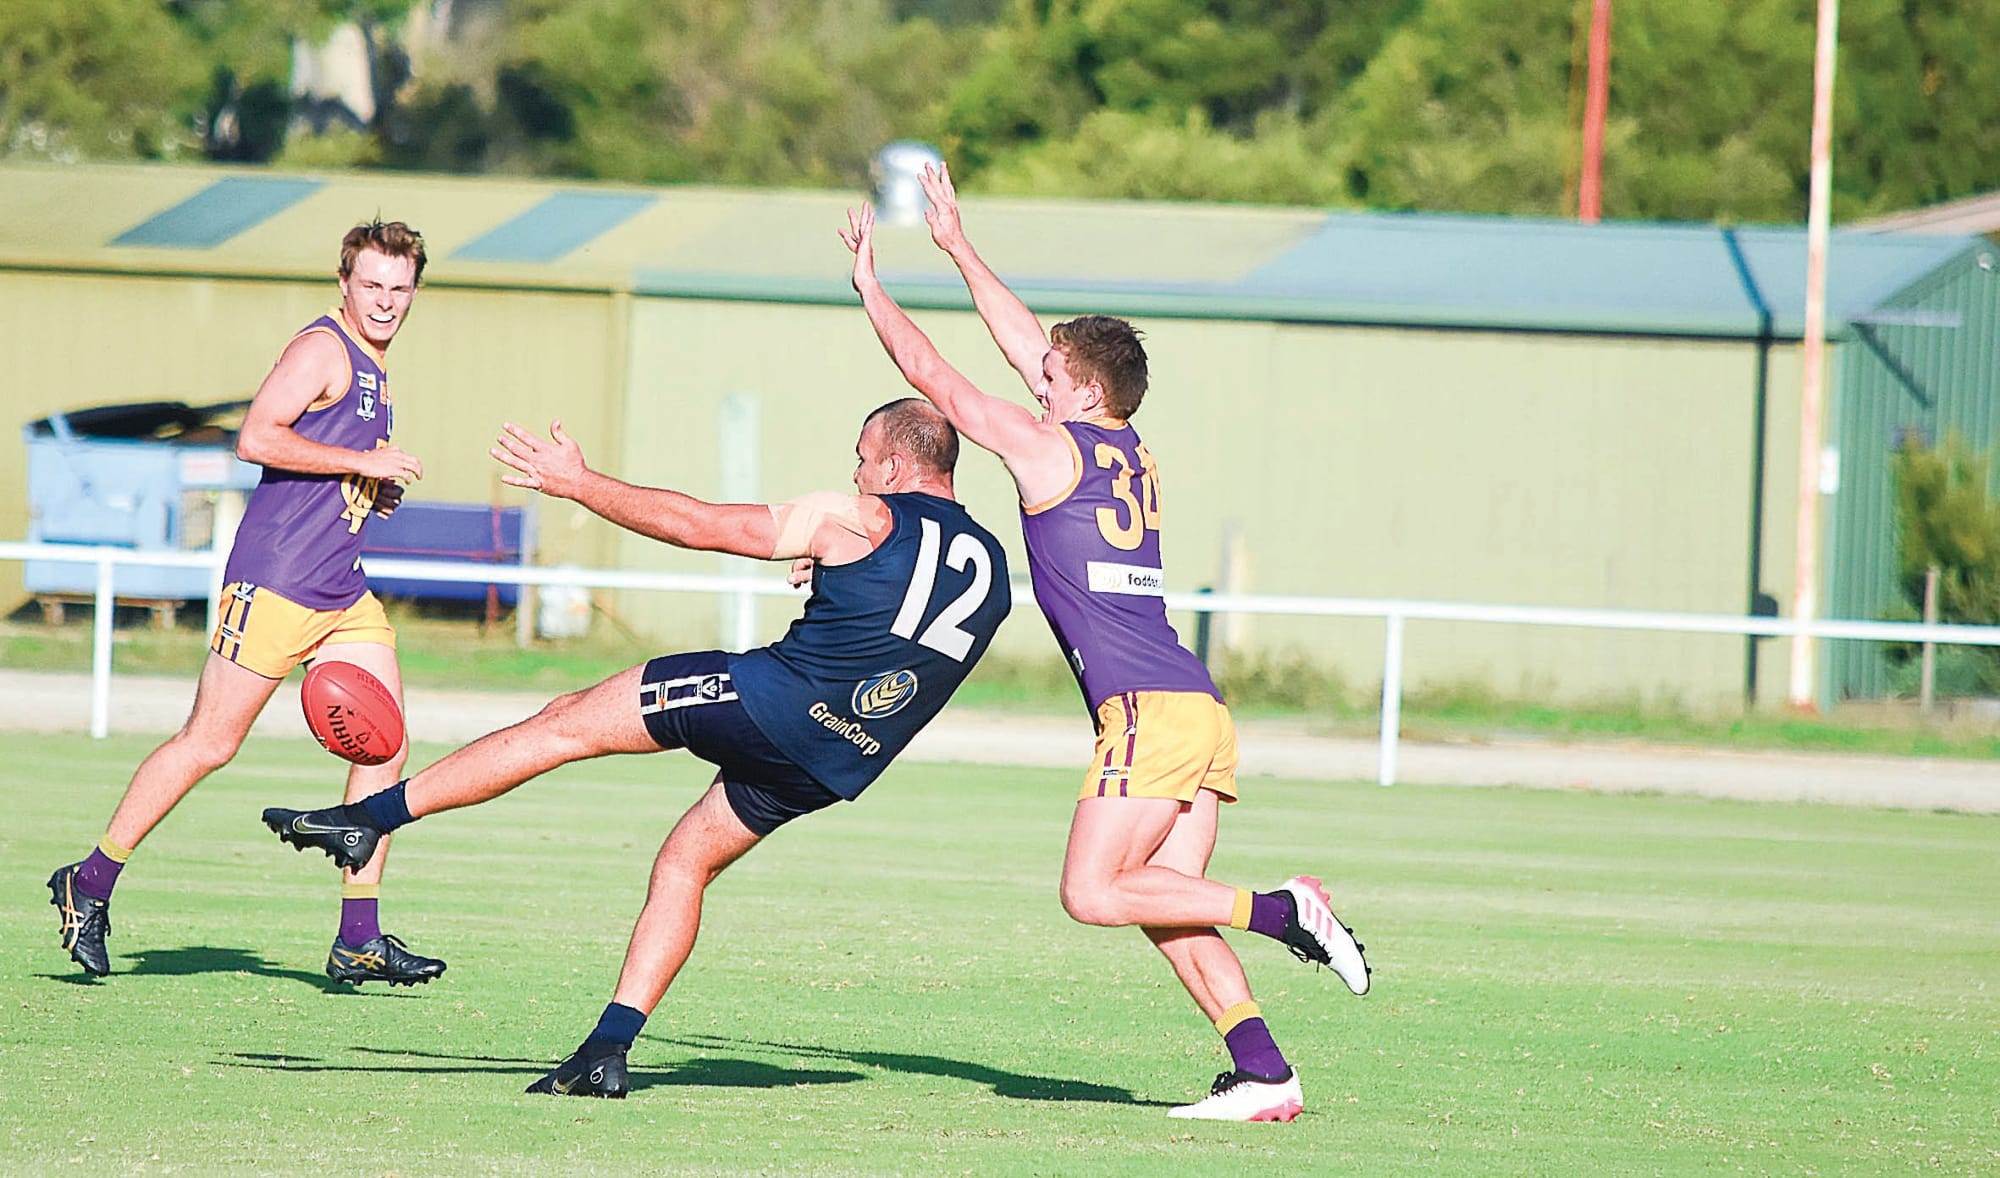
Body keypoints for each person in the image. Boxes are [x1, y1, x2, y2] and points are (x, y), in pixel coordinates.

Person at [260, 399, 1009, 1098]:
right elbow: (904, 620)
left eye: (861, 458)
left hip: (767, 702)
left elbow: (696, 524)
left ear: (895, 469)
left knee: (566, 721)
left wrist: (580, 483)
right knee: (685, 860)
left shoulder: (862, 516)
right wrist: (836, 580)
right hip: (835, 760)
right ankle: (606, 1050)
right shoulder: (993, 564)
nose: (854, 471)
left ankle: (374, 819)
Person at [838, 168, 1370, 1123]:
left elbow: (938, 383)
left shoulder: (1052, 451)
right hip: (1198, 708)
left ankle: (1289, 911)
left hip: (1145, 711)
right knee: (1164, 902)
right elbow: (1024, 344)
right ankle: (1264, 1073)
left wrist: (875, 291)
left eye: (1050, 373)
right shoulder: (1129, 445)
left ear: (1082, 389)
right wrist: (958, 247)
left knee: (1091, 892)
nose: (1035, 374)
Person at [47, 219, 444, 986]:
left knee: (387, 743)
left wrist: (368, 487)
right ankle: (88, 882)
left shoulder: (376, 363)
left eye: (399, 288)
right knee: (209, 743)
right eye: (372, 285)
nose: (386, 301)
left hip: (340, 588)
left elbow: (323, 462)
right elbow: (257, 437)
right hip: (276, 581)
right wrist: (359, 460)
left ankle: (358, 934)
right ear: (344, 283)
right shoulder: (322, 348)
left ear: (415, 291)